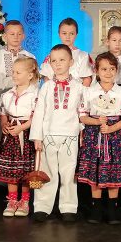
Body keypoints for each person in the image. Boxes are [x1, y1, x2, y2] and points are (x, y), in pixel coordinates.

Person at [30, 44, 85, 222]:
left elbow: (81, 111)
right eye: (54, 61)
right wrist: (37, 136)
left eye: (62, 60)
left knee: (68, 173)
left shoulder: (78, 86)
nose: (58, 64)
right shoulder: (46, 87)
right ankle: (42, 206)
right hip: (49, 135)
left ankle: (68, 207)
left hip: (70, 135)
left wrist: (81, 132)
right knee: (47, 171)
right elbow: (39, 112)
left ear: (71, 62)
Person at [78, 53, 121, 224]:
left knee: (113, 171)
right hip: (94, 135)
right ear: (97, 71)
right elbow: (82, 116)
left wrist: (111, 128)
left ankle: (112, 209)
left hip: (115, 135)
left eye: (112, 69)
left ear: (117, 70)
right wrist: (96, 122)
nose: (108, 73)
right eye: (104, 69)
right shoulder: (89, 91)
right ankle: (96, 208)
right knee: (95, 170)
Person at [0, 56, 40, 218]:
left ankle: (25, 201)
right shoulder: (7, 94)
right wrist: (4, 124)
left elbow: (36, 116)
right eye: (13, 72)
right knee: (11, 169)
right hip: (11, 135)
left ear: (30, 75)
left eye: (18, 72)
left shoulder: (35, 94)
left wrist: (21, 127)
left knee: (25, 169)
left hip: (26, 133)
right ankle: (12, 200)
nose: (14, 75)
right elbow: (3, 112)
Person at [39, 18, 94, 87]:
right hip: (54, 90)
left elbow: (87, 79)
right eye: (64, 33)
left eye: (71, 33)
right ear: (59, 34)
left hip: (77, 91)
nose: (68, 37)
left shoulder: (83, 55)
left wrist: (80, 92)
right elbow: (46, 77)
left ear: (76, 35)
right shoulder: (52, 55)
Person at [0, 20, 35, 95]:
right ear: (5, 36)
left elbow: (34, 80)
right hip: (2, 96)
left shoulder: (30, 57)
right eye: (12, 34)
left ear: (23, 36)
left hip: (25, 97)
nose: (16, 37)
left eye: (19, 34)